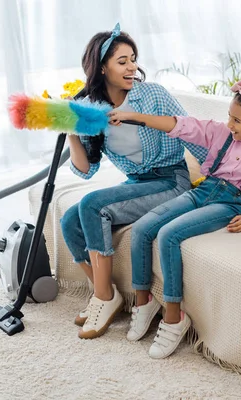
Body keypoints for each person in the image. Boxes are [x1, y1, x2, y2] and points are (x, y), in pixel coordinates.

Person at [108, 74, 241, 358]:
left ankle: (174, 317)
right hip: (203, 190)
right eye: (229, 117)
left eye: (237, 120)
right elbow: (180, 125)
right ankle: (143, 301)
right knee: (142, 228)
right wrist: (133, 116)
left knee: (169, 235)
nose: (230, 125)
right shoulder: (221, 133)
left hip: (230, 203)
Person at [61, 23, 207, 340]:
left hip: (172, 180)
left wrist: (228, 177)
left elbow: (190, 132)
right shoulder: (90, 109)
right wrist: (72, 132)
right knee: (70, 220)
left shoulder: (151, 95)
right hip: (138, 181)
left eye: (133, 59)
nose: (132, 67)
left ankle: (103, 298)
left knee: (92, 205)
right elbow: (86, 170)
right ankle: (104, 291)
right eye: (122, 61)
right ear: (102, 68)